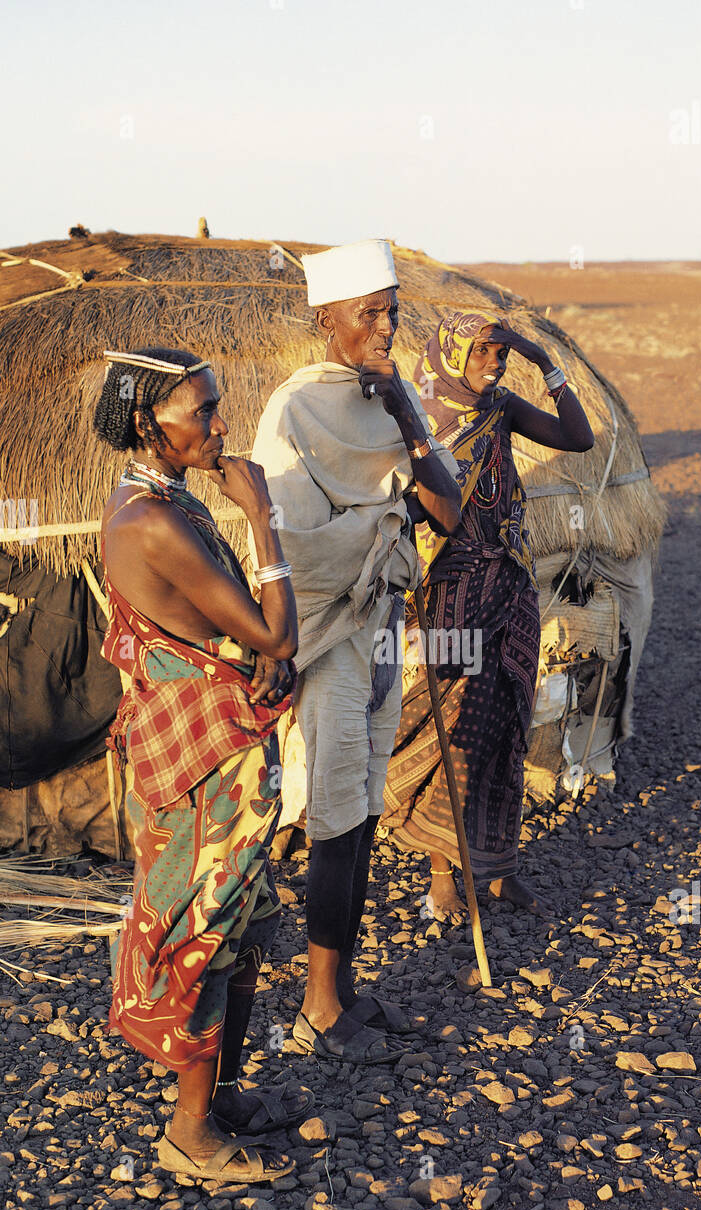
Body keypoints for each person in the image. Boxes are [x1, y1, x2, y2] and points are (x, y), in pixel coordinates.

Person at [97, 345, 306, 1182]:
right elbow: (274, 632)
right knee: (207, 933)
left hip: (213, 744)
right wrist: (262, 516)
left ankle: (215, 1098)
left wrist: (256, 646)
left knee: (242, 923)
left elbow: (234, 629)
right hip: (201, 764)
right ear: (149, 423)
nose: (220, 425)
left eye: (219, 405)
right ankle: (191, 1136)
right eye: (203, 411)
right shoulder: (151, 520)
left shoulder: (162, 500)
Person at [252, 239, 461, 1062]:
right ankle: (315, 1009)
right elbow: (287, 544)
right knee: (336, 817)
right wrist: (380, 527)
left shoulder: (393, 402)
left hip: (377, 630)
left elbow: (446, 512)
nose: (384, 326)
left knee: (367, 807)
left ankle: (341, 988)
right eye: (367, 312)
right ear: (325, 318)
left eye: (392, 312)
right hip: (329, 636)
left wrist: (407, 413)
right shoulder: (293, 410)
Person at [383, 311, 594, 918]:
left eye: (501, 354)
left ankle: (499, 867)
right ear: (451, 355)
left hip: (511, 586)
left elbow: (578, 438)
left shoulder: (500, 409)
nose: (494, 364)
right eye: (482, 354)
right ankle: (441, 872)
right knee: (452, 730)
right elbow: (425, 514)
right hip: (451, 596)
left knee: (507, 728)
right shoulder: (420, 422)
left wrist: (542, 359)